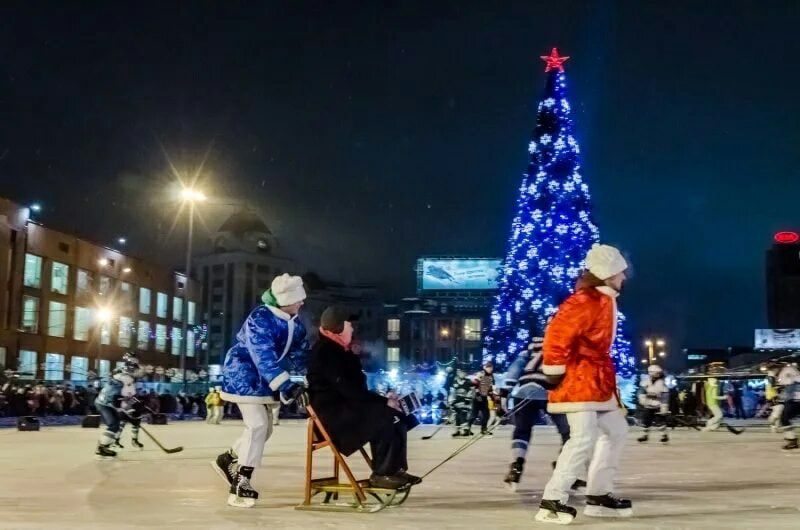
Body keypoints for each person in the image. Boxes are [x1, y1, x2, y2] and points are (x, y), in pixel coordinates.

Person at [535, 244, 633, 524]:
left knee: (616, 430)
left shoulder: (604, 299)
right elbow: (557, 333)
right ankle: (552, 500)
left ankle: (598, 494)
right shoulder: (584, 300)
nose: (624, 277)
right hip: (579, 379)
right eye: (620, 272)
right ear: (608, 273)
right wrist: (554, 371)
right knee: (582, 438)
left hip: (597, 380)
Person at [214, 273, 310, 508]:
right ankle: (241, 482)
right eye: (298, 299)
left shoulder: (295, 323)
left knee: (265, 430)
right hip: (244, 374)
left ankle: (228, 458)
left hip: (263, 379)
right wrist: (286, 384)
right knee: (257, 425)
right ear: (286, 300)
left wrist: (313, 375)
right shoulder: (260, 318)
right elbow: (262, 355)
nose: (302, 302)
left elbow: (300, 354)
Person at [307, 306, 421, 490]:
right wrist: (384, 402)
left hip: (347, 410)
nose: (352, 328)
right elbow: (348, 390)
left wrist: (385, 399)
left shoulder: (341, 351)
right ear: (338, 327)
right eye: (349, 325)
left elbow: (356, 390)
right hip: (334, 418)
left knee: (397, 416)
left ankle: (395, 470)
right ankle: (383, 473)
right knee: (387, 417)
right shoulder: (325, 352)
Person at [502, 336, 579, 491]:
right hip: (550, 392)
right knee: (571, 433)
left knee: (522, 431)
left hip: (524, 391)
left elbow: (517, 365)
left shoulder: (533, 344)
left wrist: (505, 391)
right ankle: (563, 466)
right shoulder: (565, 343)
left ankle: (517, 465)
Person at [95, 353, 142, 459]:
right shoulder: (126, 378)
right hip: (105, 403)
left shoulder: (123, 375)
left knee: (116, 425)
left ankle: (106, 445)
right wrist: (128, 415)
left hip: (106, 402)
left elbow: (127, 396)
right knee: (114, 425)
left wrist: (132, 406)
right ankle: (101, 449)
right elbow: (117, 399)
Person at [637, 364, 670, 443]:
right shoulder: (645, 382)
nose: (657, 375)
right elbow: (641, 392)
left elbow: (665, 395)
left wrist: (664, 406)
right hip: (648, 405)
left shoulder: (662, 383)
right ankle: (645, 435)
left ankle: (664, 435)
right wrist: (642, 398)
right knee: (646, 421)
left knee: (660, 421)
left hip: (658, 405)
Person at [776, 363, 800, 451]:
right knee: (784, 419)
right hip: (794, 399)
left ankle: (792, 440)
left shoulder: (788, 370)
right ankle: (791, 439)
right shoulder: (790, 370)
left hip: (795, 400)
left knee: (784, 419)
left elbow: (788, 383)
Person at [467, 361, 495, 435]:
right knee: (474, 414)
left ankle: (484, 429)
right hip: (478, 396)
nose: (490, 369)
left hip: (484, 397)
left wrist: (492, 396)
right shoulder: (481, 374)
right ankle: (467, 428)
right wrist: (478, 396)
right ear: (485, 367)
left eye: (491, 368)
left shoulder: (490, 376)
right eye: (488, 368)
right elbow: (473, 383)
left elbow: (490, 388)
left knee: (486, 414)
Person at [448, 366, 474, 437]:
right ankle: (458, 431)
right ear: (458, 373)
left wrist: (468, 399)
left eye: (464, 373)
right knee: (457, 416)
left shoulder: (468, 381)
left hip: (465, 401)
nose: (463, 374)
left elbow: (471, 391)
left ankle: (466, 429)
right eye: (461, 372)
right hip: (457, 401)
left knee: (463, 414)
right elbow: (452, 392)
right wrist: (451, 401)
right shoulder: (454, 382)